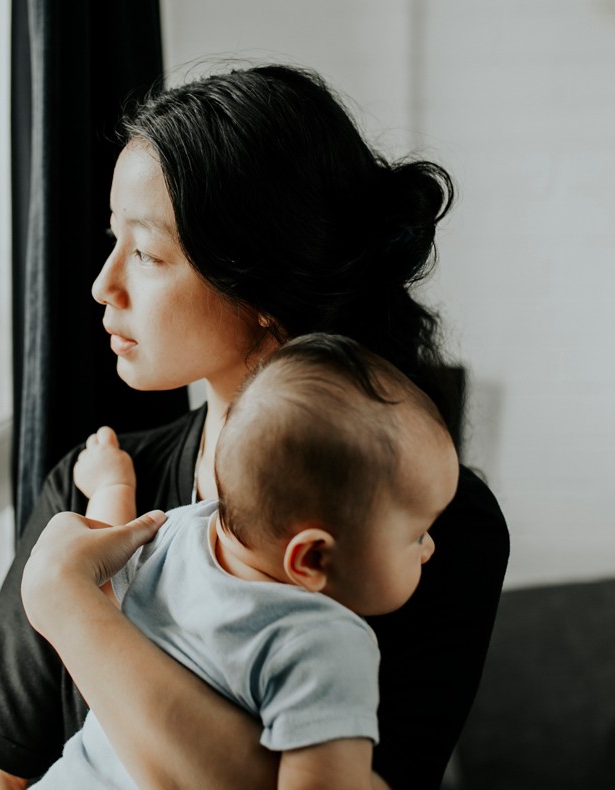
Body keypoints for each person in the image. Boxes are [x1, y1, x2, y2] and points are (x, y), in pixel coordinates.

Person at [0, 63, 510, 790]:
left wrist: (68, 606)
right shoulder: (89, 484)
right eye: (112, 238)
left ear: (259, 285)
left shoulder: (425, 526)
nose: (103, 284)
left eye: (147, 252)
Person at [27, 333, 460, 788]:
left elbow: (103, 570)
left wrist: (112, 488)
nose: (430, 547)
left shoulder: (181, 529)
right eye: (416, 534)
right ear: (312, 558)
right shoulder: (327, 645)